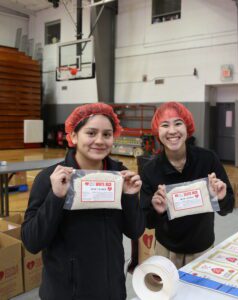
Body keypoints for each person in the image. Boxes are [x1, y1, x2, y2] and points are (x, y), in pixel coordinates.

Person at [21, 103, 145, 300]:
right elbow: (32, 241)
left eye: (107, 134)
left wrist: (130, 197)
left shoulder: (119, 176)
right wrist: (56, 197)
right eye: (91, 133)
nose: (99, 140)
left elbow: (134, 231)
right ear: (73, 136)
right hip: (66, 292)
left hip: (111, 289)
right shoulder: (49, 178)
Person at [140, 101, 234, 269]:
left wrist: (221, 198)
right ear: (157, 130)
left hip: (202, 248)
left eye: (178, 123)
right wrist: (157, 210)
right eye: (165, 125)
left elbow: (228, 208)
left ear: (187, 127)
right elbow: (147, 222)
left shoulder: (207, 159)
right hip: (167, 249)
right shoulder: (150, 170)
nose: (172, 131)